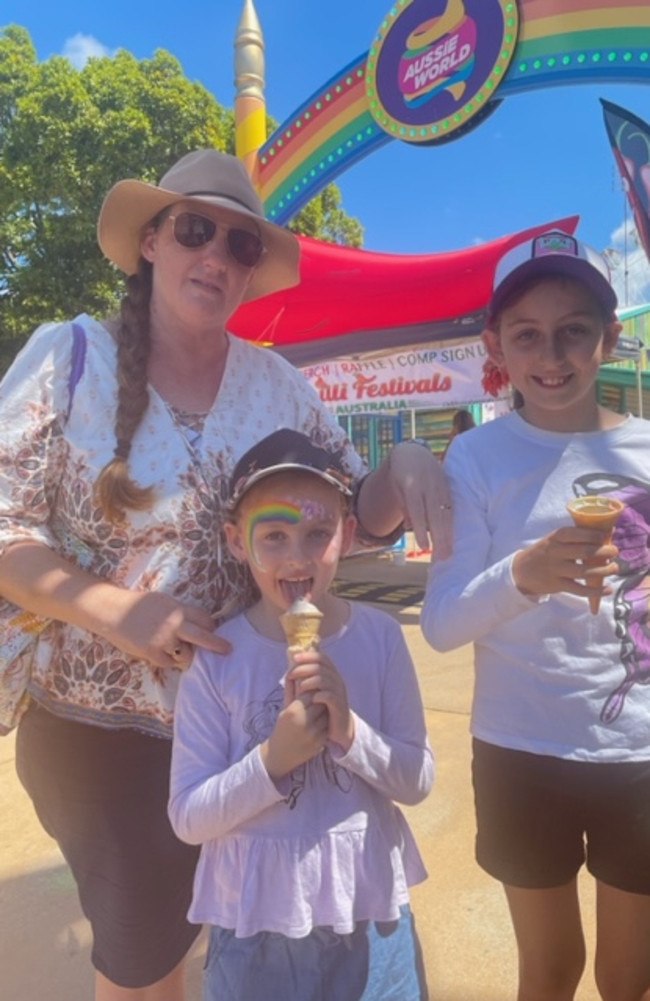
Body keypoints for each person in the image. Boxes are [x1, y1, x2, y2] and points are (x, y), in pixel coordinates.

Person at [0, 148, 450, 1001]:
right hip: (107, 739)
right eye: (195, 231)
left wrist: (413, 460)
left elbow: (355, 510)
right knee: (145, 962)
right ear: (151, 242)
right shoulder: (70, 359)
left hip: (253, 718)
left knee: (249, 940)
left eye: (241, 246)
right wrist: (114, 611)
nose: (216, 256)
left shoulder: (278, 386)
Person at [421, 229, 650, 1001]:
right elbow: (444, 623)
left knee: (630, 978)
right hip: (521, 748)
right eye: (527, 334)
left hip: (640, 751)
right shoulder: (478, 458)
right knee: (549, 971)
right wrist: (523, 573)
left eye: (573, 330)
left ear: (608, 338)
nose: (551, 355)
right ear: (497, 344)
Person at [168, 428, 433, 1001]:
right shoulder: (217, 661)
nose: (296, 556)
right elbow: (188, 816)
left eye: (318, 533)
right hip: (254, 926)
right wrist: (272, 760)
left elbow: (416, 780)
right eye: (275, 535)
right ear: (237, 542)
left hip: (369, 914)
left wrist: (351, 732)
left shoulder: (380, 640)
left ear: (349, 534)